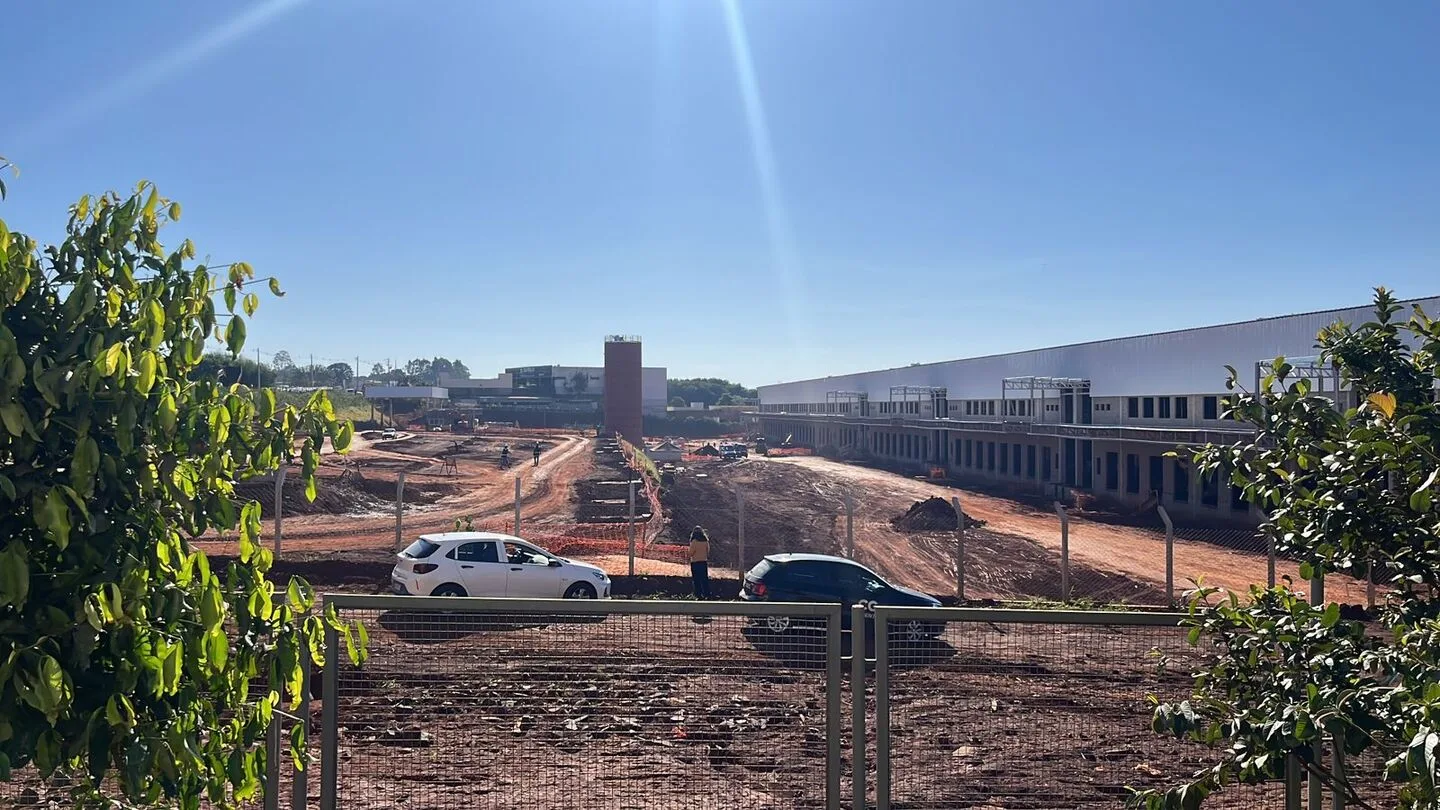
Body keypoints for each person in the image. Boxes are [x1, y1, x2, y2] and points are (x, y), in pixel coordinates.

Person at [688, 526, 711, 600]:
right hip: (703, 562)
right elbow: (708, 551)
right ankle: (707, 594)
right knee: (704, 579)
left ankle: (698, 594)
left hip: (695, 563)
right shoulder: (705, 541)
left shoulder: (694, 542)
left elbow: (690, 553)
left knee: (696, 579)